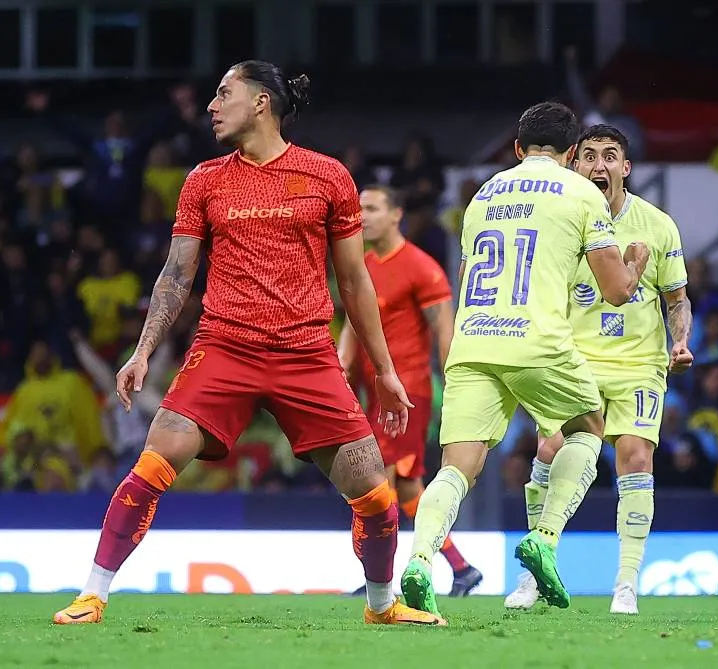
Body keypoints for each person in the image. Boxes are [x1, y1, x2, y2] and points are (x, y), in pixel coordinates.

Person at [52, 60, 444, 627]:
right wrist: (141, 351)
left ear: (261, 103)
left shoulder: (327, 175)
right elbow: (176, 275)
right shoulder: (203, 180)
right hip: (224, 348)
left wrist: (383, 370)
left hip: (307, 353)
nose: (211, 106)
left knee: (377, 495)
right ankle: (92, 595)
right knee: (152, 465)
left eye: (222, 94)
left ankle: (382, 607)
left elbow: (355, 281)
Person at [399, 102, 650, 617]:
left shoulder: (481, 196)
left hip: (474, 341)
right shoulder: (581, 192)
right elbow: (617, 291)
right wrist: (636, 261)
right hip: (537, 340)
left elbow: (470, 273)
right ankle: (545, 536)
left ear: (517, 149)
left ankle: (421, 558)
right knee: (587, 428)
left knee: (457, 468)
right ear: (574, 152)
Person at [503, 124, 693, 615]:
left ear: (625, 168)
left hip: (638, 364)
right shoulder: (558, 221)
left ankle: (625, 585)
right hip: (574, 359)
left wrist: (681, 342)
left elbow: (677, 298)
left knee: (634, 457)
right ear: (573, 163)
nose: (599, 166)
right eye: (588, 156)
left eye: (610, 156)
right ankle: (533, 572)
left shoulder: (658, 224)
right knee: (551, 448)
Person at [338, 184, 483, 596]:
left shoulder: (420, 267)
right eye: (359, 208)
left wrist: (455, 379)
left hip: (405, 393)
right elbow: (353, 322)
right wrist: (342, 367)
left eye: (372, 208)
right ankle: (462, 568)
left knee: (373, 481)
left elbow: (442, 324)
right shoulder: (362, 264)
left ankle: (376, 581)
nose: (362, 216)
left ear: (396, 214)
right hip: (373, 393)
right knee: (406, 490)